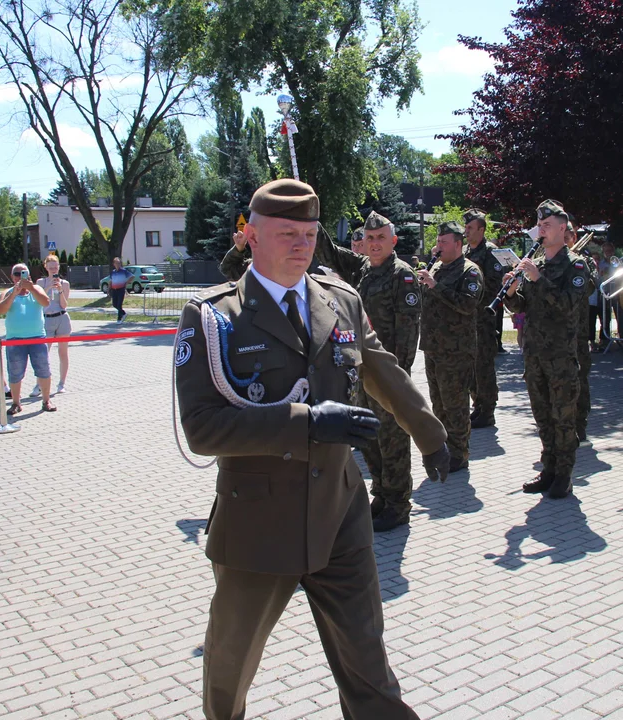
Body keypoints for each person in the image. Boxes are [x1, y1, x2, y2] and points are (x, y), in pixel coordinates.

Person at [175, 178, 449, 720]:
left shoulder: (339, 301)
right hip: (258, 520)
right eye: (285, 234)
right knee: (230, 670)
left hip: (339, 511)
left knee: (367, 660)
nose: (301, 245)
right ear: (250, 236)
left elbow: (381, 371)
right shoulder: (215, 317)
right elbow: (203, 429)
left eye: (309, 233)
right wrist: (306, 422)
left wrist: (430, 434)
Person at [314, 211, 423, 532]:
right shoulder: (363, 269)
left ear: (393, 241)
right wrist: (310, 219)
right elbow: (329, 252)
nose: (374, 244)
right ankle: (382, 493)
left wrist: (397, 379)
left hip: (387, 375)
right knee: (370, 438)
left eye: (380, 238)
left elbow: (408, 333)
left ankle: (399, 503)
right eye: (369, 238)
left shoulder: (402, 276)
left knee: (393, 440)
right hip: (362, 372)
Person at [502, 200, 591, 499]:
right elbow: (523, 307)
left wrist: (538, 280)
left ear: (563, 228)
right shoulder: (535, 265)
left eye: (548, 225)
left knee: (563, 417)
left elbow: (569, 305)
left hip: (561, 357)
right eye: (540, 224)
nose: (542, 229)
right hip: (535, 354)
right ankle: (549, 468)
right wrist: (512, 293)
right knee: (542, 415)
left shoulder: (576, 265)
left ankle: (564, 474)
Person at [419, 221, 483, 473]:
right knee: (438, 404)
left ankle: (460, 453)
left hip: (456, 350)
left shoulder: (470, 271)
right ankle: (445, 448)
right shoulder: (436, 267)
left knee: (455, 404)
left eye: (444, 242)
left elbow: (467, 305)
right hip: (433, 347)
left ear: (458, 244)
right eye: (438, 241)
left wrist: (436, 286)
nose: (438, 247)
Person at [462, 208, 505, 428]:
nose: (466, 231)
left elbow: (496, 287)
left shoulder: (491, 252)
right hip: (467, 320)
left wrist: (470, 296)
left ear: (481, 229)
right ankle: (477, 405)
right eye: (466, 227)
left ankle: (487, 410)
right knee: (471, 366)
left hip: (483, 320)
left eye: (470, 228)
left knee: (483, 366)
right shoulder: (465, 252)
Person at [0, 263, 56, 414]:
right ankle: (16, 403)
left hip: (37, 337)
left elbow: (45, 302)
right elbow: (1, 310)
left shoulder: (36, 290)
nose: (19, 276)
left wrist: (31, 288)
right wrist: (14, 294)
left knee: (43, 370)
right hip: (15, 339)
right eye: (16, 273)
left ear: (29, 276)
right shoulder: (7, 292)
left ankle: (46, 400)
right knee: (15, 372)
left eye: (23, 273)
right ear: (12, 277)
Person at [567, 218, 600, 441]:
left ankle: (580, 423)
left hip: (577, 332)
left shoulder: (584, 261)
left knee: (580, 379)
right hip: (553, 336)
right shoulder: (545, 259)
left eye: (568, 237)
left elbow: (588, 288)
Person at [31, 255, 71, 397]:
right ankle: (39, 385)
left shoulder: (65, 283)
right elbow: (39, 299)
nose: (53, 270)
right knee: (43, 353)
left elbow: (64, 305)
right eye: (50, 267)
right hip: (46, 319)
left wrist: (60, 289)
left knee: (63, 352)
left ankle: (61, 384)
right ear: (46, 267)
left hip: (61, 318)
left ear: (59, 267)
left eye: (56, 267)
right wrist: (49, 286)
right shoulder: (40, 282)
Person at [108, 257, 128, 322]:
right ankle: (123, 313)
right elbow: (110, 281)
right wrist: (108, 289)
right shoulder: (112, 272)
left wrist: (126, 283)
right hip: (114, 290)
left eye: (119, 263)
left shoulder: (123, 271)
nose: (118, 264)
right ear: (114, 264)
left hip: (121, 289)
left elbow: (132, 276)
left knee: (119, 304)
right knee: (114, 304)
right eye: (116, 263)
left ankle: (119, 318)